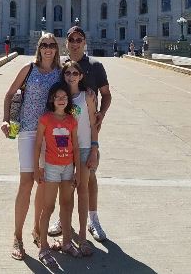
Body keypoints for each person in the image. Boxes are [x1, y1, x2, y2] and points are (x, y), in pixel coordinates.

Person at [1, 33, 61, 261]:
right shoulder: (28, 69)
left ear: (56, 49)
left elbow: (70, 98)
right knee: (26, 183)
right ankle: (17, 236)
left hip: (51, 135)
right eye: (44, 45)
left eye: (52, 45)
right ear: (39, 48)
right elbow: (9, 95)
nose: (48, 48)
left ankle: (37, 231)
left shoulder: (60, 72)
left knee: (43, 183)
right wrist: (6, 119)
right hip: (27, 131)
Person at [49, 26, 111, 242]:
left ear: (84, 42)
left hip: (87, 135)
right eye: (71, 39)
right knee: (64, 180)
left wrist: (101, 113)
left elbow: (106, 94)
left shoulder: (96, 66)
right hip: (64, 138)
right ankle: (61, 217)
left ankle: (93, 219)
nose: (75, 43)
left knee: (89, 178)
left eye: (79, 39)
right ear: (66, 42)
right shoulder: (61, 68)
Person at [34, 82, 81, 267]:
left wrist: (76, 170)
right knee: (49, 207)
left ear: (68, 100)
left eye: (64, 97)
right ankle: (43, 246)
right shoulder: (46, 119)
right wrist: (38, 167)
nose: (61, 100)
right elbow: (38, 144)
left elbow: (75, 146)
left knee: (67, 205)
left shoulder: (71, 120)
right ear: (52, 100)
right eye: (57, 97)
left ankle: (67, 242)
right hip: (51, 167)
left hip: (68, 167)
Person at [62, 61, 98, 255]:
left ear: (81, 76)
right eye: (68, 73)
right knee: (66, 194)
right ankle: (67, 237)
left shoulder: (88, 96)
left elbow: (93, 125)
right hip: (65, 150)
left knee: (82, 190)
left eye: (75, 73)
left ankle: (83, 237)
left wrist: (94, 148)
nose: (71, 76)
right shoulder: (59, 96)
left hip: (84, 148)